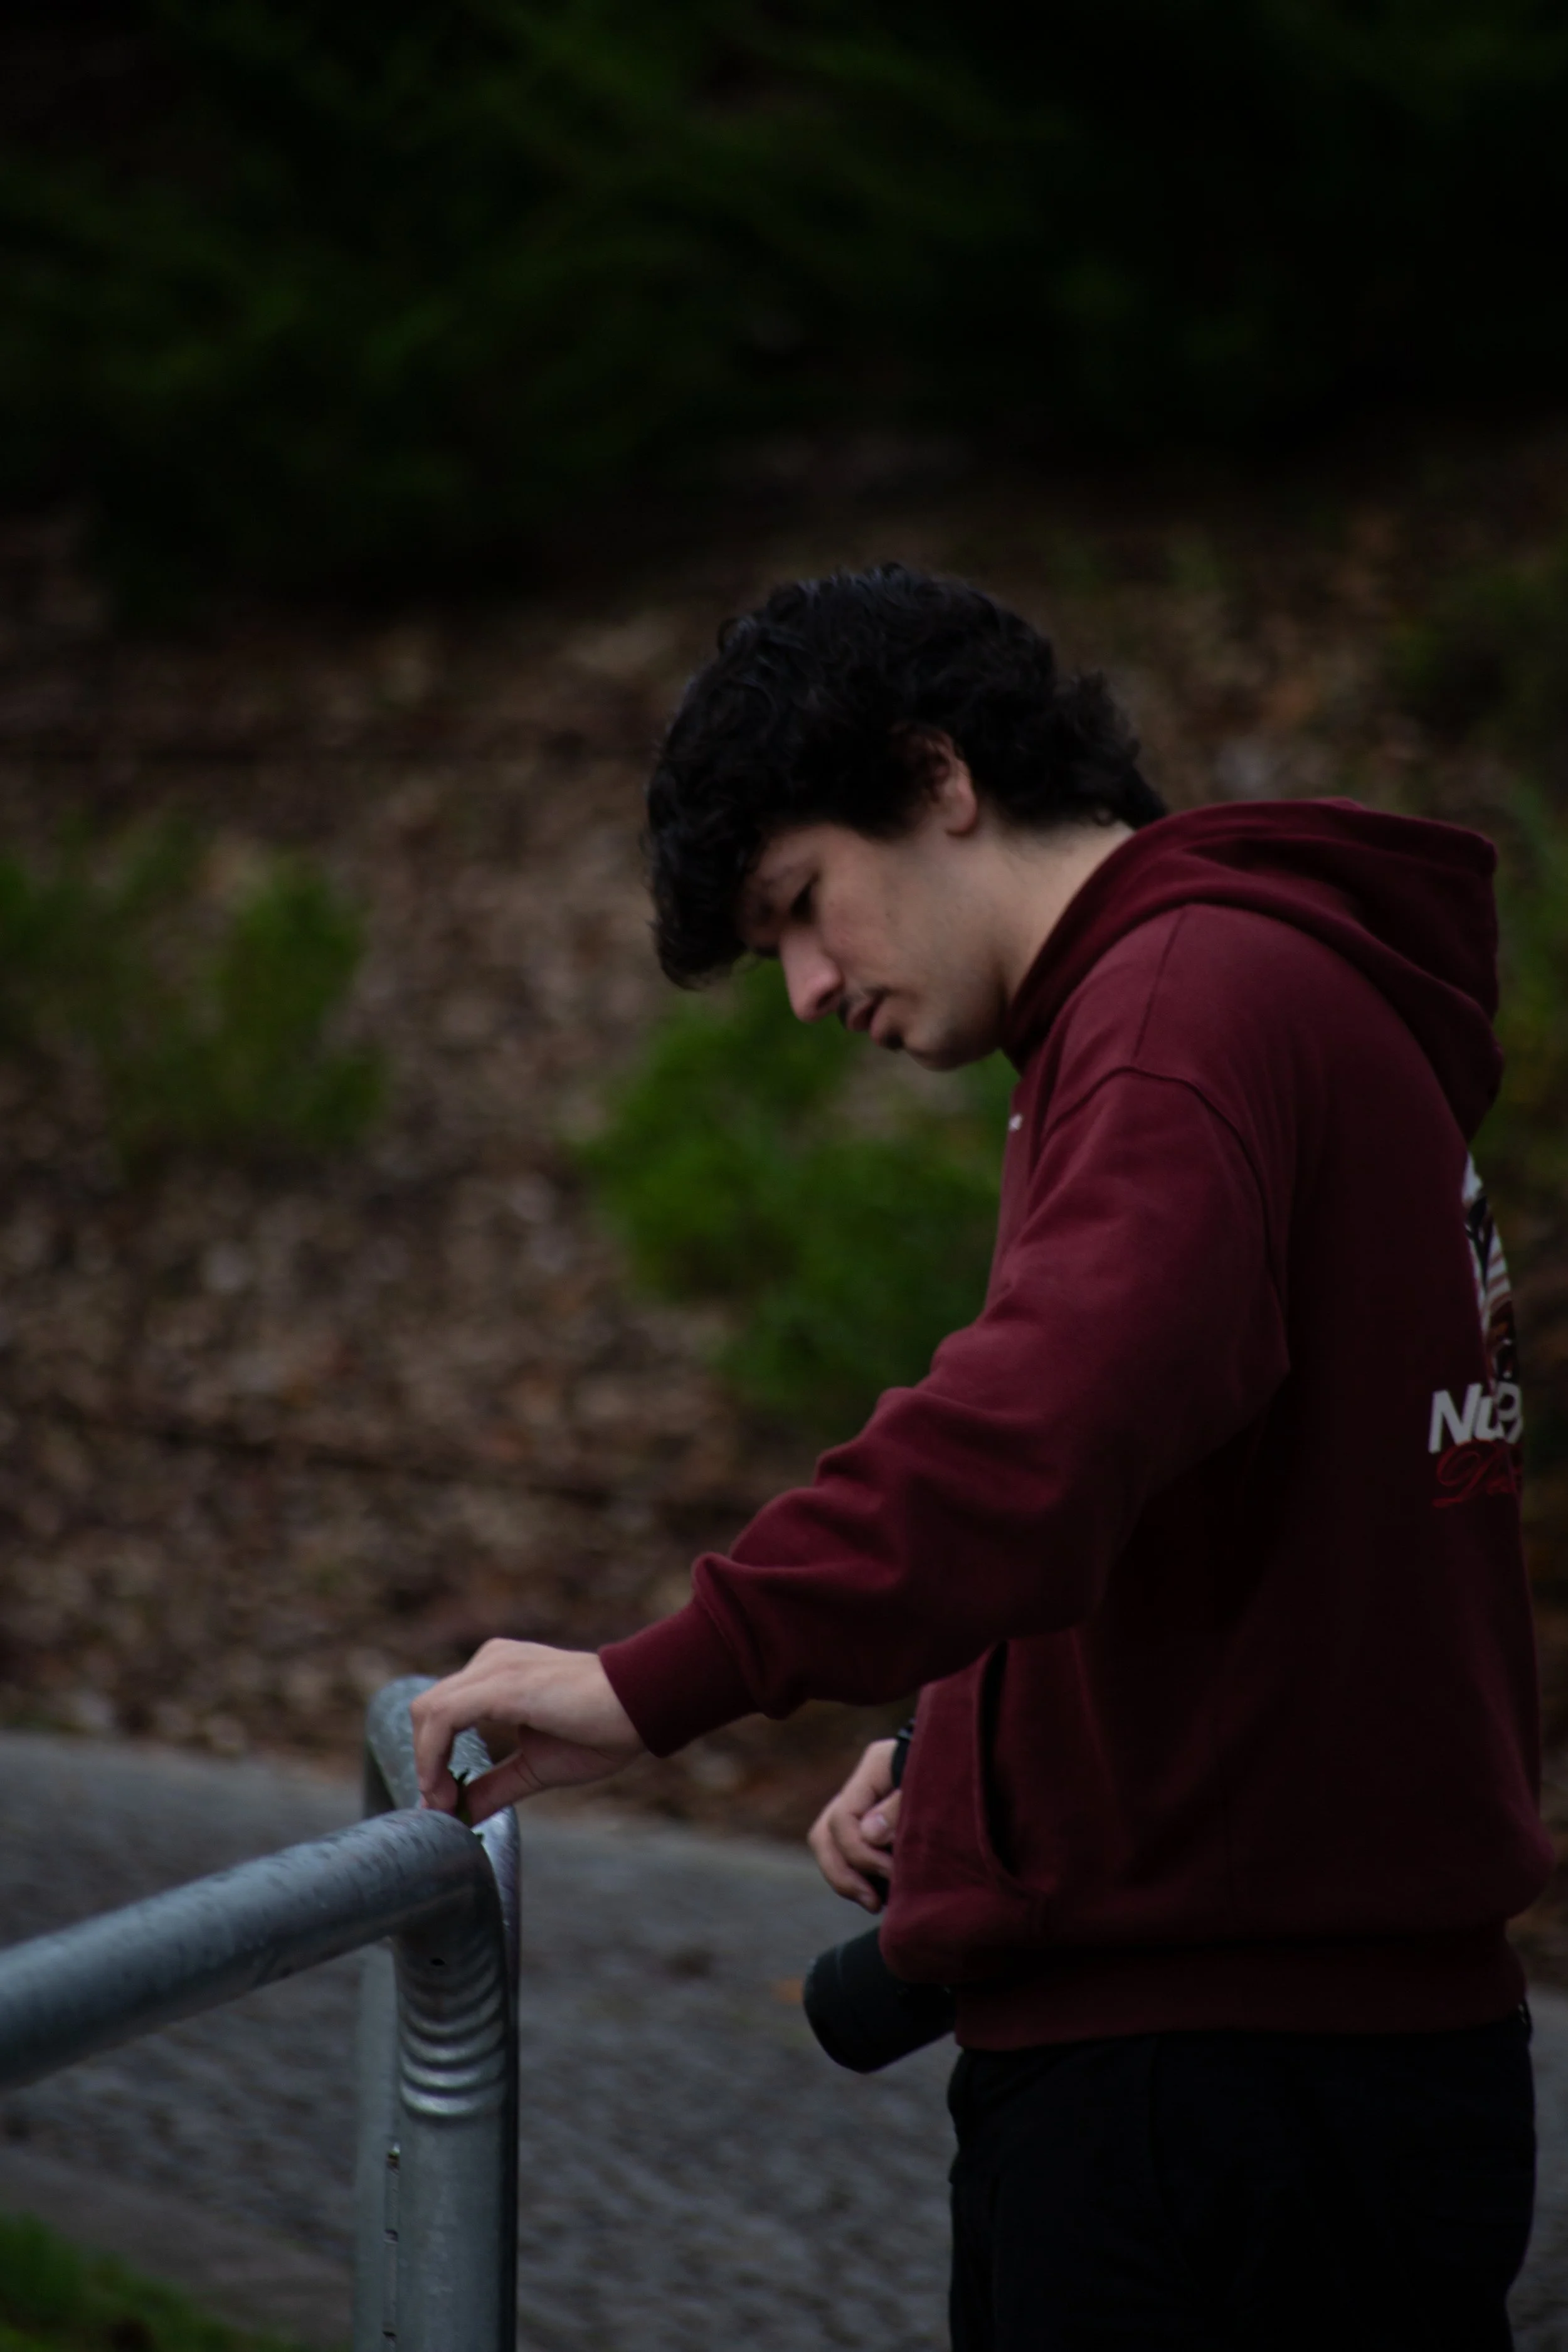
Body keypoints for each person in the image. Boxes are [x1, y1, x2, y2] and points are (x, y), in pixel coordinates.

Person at [411, 564, 1550, 2348]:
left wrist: (665, 1673)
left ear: (940, 778)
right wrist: (955, 1751)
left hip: (1209, 2110)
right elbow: (1210, 1488)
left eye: (801, 905)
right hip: (1319, 2065)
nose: (798, 988)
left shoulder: (1178, 1017)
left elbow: (1040, 1430)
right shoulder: (1250, 995)